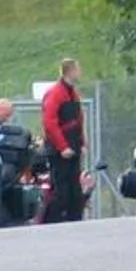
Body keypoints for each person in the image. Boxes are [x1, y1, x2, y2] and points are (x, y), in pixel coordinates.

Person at [39, 57, 87, 224]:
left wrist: (81, 143)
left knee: (75, 189)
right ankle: (50, 223)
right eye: (78, 69)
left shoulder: (72, 93)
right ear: (70, 71)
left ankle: (75, 221)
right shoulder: (56, 93)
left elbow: (79, 120)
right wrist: (63, 147)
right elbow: (50, 123)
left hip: (72, 147)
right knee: (61, 191)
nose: (80, 72)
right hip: (59, 151)